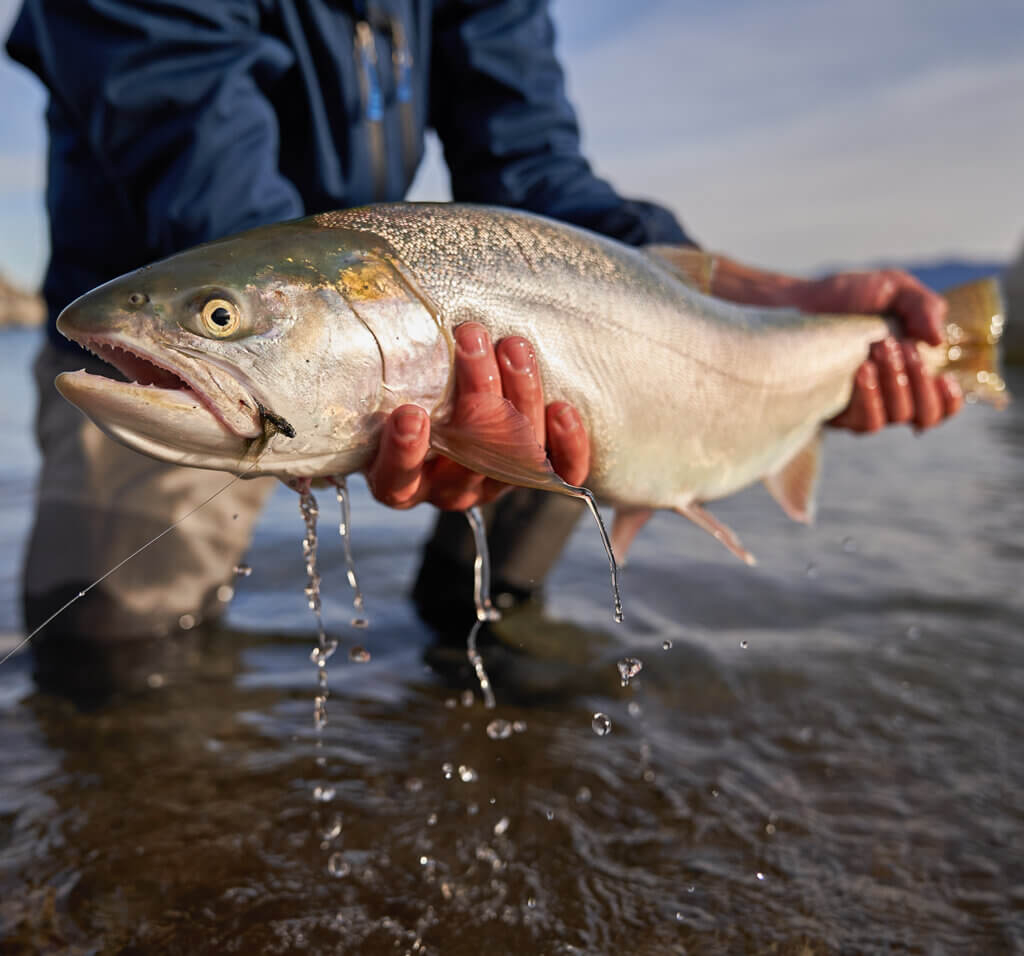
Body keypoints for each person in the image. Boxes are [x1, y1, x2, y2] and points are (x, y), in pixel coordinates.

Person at [7, 0, 961, 694]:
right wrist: (230, 327)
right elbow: (195, 147)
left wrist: (776, 298)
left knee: (544, 415)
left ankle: (486, 657)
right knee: (108, 654)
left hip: (336, 311)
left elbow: (534, 166)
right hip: (166, 309)